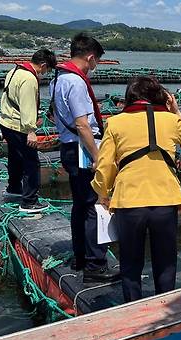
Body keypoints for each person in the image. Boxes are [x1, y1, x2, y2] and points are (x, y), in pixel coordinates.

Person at [91, 76, 181, 302]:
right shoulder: (170, 120)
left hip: (129, 201)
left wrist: (103, 193)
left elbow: (105, 165)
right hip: (165, 200)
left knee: (131, 262)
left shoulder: (116, 122)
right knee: (166, 261)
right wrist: (176, 110)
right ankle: (166, 307)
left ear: (130, 97)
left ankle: (133, 309)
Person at [50, 33, 118, 282]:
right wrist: (99, 157)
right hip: (82, 148)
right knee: (92, 206)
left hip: (68, 147)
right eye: (96, 62)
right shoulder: (77, 83)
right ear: (90, 57)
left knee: (80, 204)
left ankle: (80, 256)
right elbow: (83, 126)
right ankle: (95, 265)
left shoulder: (58, 78)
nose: (94, 67)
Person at [0, 49, 56, 213]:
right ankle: (29, 201)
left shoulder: (14, 70)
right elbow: (27, 105)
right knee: (31, 162)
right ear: (43, 65)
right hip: (19, 127)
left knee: (15, 158)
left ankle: (14, 188)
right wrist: (31, 130)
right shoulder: (30, 78)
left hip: (6, 122)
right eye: (48, 69)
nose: (46, 73)